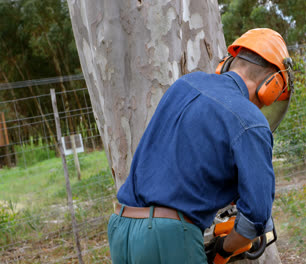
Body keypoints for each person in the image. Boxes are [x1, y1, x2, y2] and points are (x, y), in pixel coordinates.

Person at [108, 28, 294, 264]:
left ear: (228, 63)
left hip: (121, 228)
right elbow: (256, 217)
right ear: (273, 84)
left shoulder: (185, 85)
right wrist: (222, 250)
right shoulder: (251, 121)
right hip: (168, 239)